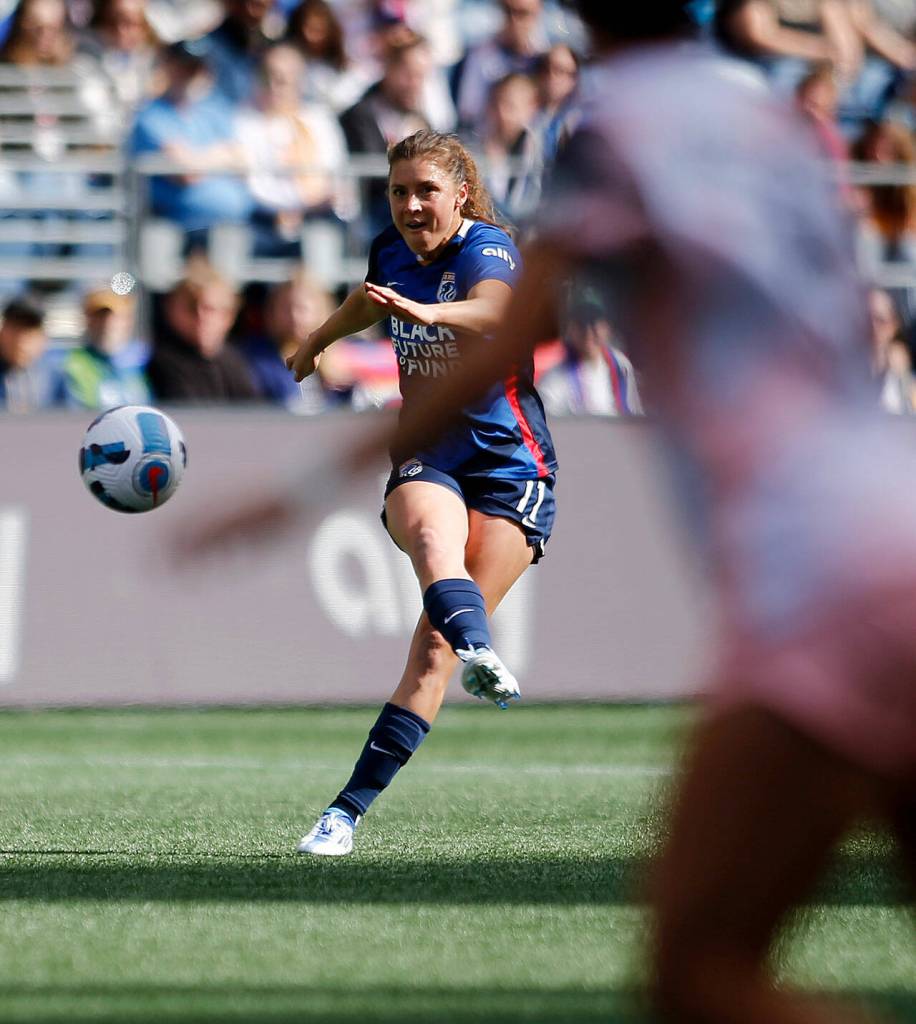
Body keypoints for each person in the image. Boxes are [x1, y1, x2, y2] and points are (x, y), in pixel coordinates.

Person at [183, 129, 558, 857]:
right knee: (428, 538)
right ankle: (342, 818)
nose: (411, 205)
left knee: (429, 660)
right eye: (397, 191)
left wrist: (431, 316)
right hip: (429, 447)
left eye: (424, 191)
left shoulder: (486, 251)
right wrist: (317, 340)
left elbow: (494, 311)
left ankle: (361, 794)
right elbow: (369, 299)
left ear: (460, 194)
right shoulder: (391, 249)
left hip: (512, 465)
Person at [127, 40, 253, 249]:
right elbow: (186, 172)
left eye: (197, 67)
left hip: (230, 227)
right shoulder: (151, 115)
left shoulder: (216, 109)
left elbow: (242, 162)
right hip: (172, 229)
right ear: (170, 67)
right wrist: (221, 155)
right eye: (185, 67)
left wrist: (197, 159)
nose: (192, 74)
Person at [235, 42, 352, 258]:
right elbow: (251, 182)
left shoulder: (319, 120)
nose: (273, 86)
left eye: (282, 79)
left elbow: (336, 171)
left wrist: (307, 206)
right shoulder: (245, 122)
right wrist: (287, 208)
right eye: (266, 76)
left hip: (318, 214)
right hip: (265, 219)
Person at [147, 262, 261, 402]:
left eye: (211, 309)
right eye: (192, 307)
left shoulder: (235, 363)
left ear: (229, 315)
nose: (202, 317)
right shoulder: (158, 361)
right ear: (171, 309)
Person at [537, 295, 643, 417]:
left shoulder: (621, 365)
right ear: (571, 329)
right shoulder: (556, 374)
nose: (588, 332)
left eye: (594, 323)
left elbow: (634, 414)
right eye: (581, 324)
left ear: (607, 328)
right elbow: (547, 422)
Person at [60, 285, 151, 409]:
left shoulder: (146, 361)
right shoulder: (72, 363)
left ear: (128, 320)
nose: (107, 324)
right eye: (99, 317)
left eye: (114, 316)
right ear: (87, 320)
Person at [0, 293, 59, 412]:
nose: (21, 338)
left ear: (43, 338)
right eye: (16, 327)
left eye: (30, 329)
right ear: (3, 331)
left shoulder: (56, 377)